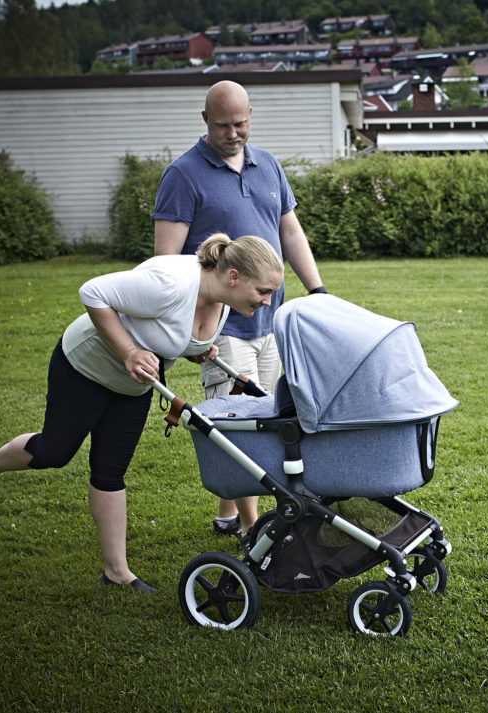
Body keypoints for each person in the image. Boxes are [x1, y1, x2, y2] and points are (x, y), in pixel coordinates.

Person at [0, 234, 284, 593]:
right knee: (54, 451)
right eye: (263, 292)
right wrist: (128, 351)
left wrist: (194, 351)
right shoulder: (171, 283)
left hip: (134, 386)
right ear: (234, 277)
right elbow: (93, 292)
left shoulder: (221, 299)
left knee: (110, 470)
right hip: (84, 368)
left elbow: (167, 330)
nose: (267, 302)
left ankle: (116, 571)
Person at [152, 79, 326, 538]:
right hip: (223, 324)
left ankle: (229, 514)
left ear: (252, 116)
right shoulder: (183, 175)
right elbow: (166, 265)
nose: (233, 133)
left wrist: (317, 289)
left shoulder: (267, 165)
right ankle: (253, 528)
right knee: (237, 427)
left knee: (264, 420)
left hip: (271, 318)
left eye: (241, 123)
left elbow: (290, 231)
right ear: (205, 119)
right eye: (224, 124)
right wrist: (191, 332)